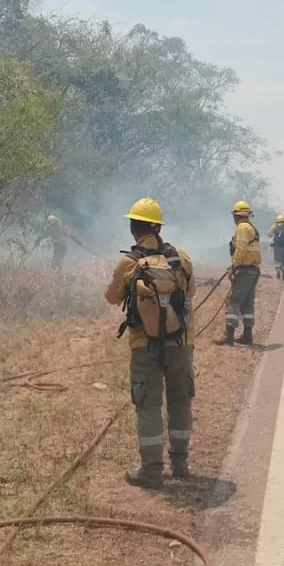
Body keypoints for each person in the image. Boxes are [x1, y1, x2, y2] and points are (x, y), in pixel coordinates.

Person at [104, 198, 196, 490]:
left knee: (148, 406)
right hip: (181, 343)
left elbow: (111, 298)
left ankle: (151, 470)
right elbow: (191, 292)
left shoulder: (128, 263)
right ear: (158, 228)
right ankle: (180, 462)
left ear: (134, 228)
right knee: (180, 400)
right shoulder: (180, 258)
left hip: (145, 346)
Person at [220, 200, 261, 345]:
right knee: (247, 304)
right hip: (253, 270)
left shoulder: (242, 228)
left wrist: (233, 266)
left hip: (244, 270)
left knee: (234, 301)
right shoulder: (251, 227)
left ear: (237, 215)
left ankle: (229, 336)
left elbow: (241, 249)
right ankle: (247, 335)